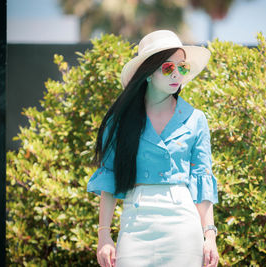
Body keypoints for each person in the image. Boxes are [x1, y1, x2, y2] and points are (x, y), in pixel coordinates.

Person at [87, 29, 219, 267]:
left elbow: (202, 178)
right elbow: (110, 177)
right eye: (168, 67)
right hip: (134, 223)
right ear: (148, 73)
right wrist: (104, 235)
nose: (177, 74)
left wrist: (209, 235)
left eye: (182, 67)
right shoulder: (121, 121)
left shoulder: (196, 118)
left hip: (183, 226)